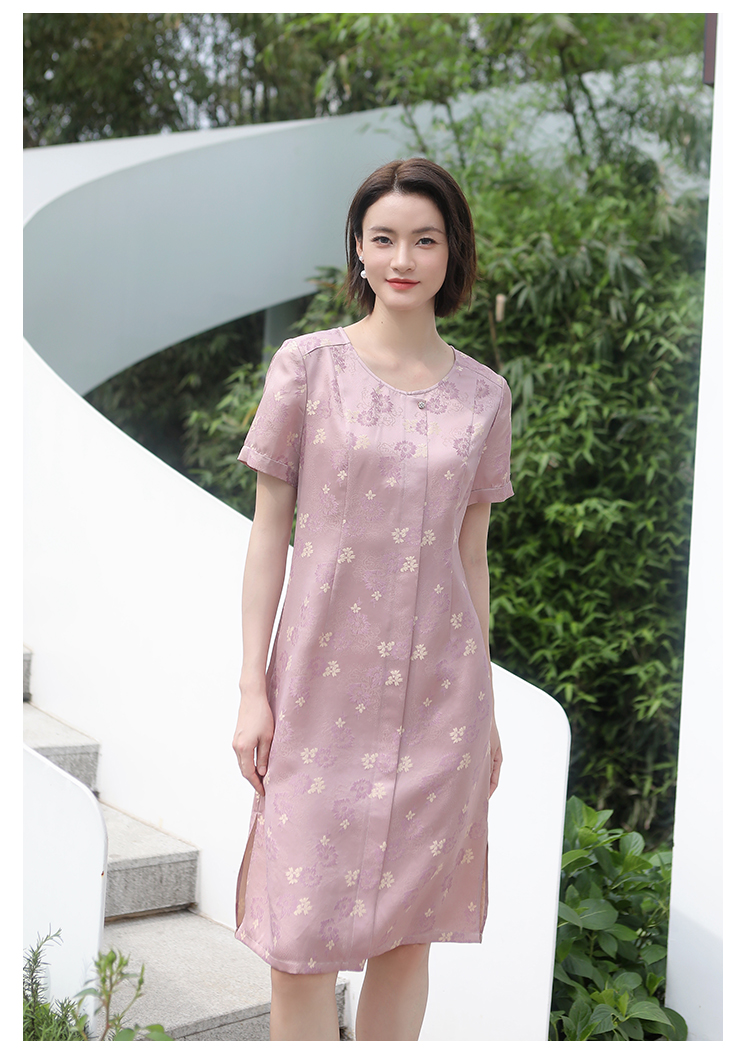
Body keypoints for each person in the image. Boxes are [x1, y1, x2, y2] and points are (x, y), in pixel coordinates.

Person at [232, 157, 513, 1041]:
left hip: (441, 707)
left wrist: (486, 708)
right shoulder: (306, 368)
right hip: (316, 695)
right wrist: (251, 688)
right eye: (384, 238)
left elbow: (472, 559)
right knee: (297, 942)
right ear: (357, 248)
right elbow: (268, 533)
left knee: (407, 939)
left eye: (424, 240)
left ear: (451, 252)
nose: (402, 258)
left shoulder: (485, 396)